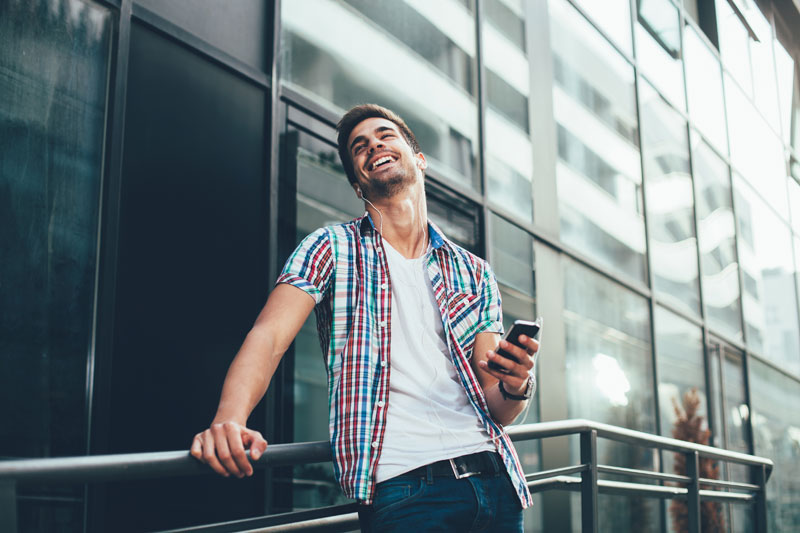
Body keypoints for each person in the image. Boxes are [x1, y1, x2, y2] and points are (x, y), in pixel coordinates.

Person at [191, 104, 540, 532]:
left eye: (385, 135)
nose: (374, 144)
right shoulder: (330, 247)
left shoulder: (473, 270)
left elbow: (497, 406)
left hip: (496, 482)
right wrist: (230, 418)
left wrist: (516, 383)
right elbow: (269, 335)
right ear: (358, 183)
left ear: (419, 159)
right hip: (404, 488)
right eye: (360, 146)